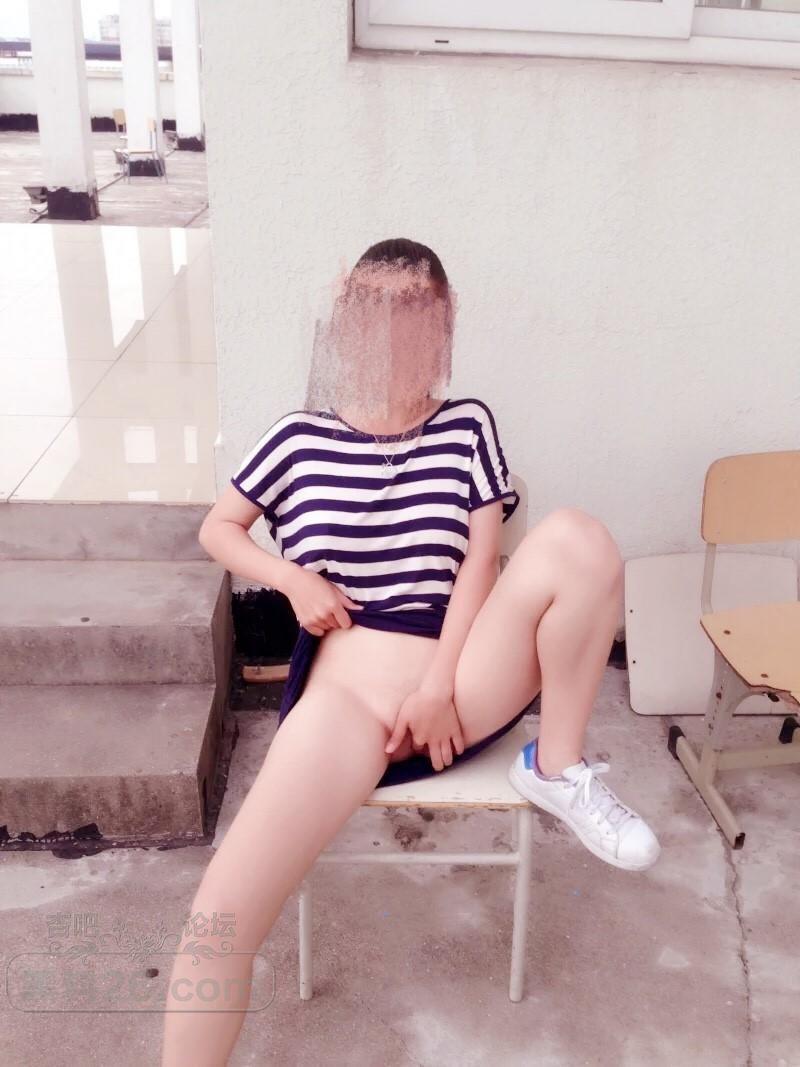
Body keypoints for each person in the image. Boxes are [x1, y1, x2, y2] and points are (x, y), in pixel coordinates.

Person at [161, 238, 660, 1065]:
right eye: (377, 315)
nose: (395, 337)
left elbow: (479, 564)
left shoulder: (467, 426)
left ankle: (557, 765)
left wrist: (437, 684)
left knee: (579, 538)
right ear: (347, 323)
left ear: (445, 327)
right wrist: (290, 578)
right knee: (220, 916)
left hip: (461, 678)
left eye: (417, 317)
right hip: (345, 701)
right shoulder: (296, 437)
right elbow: (219, 528)